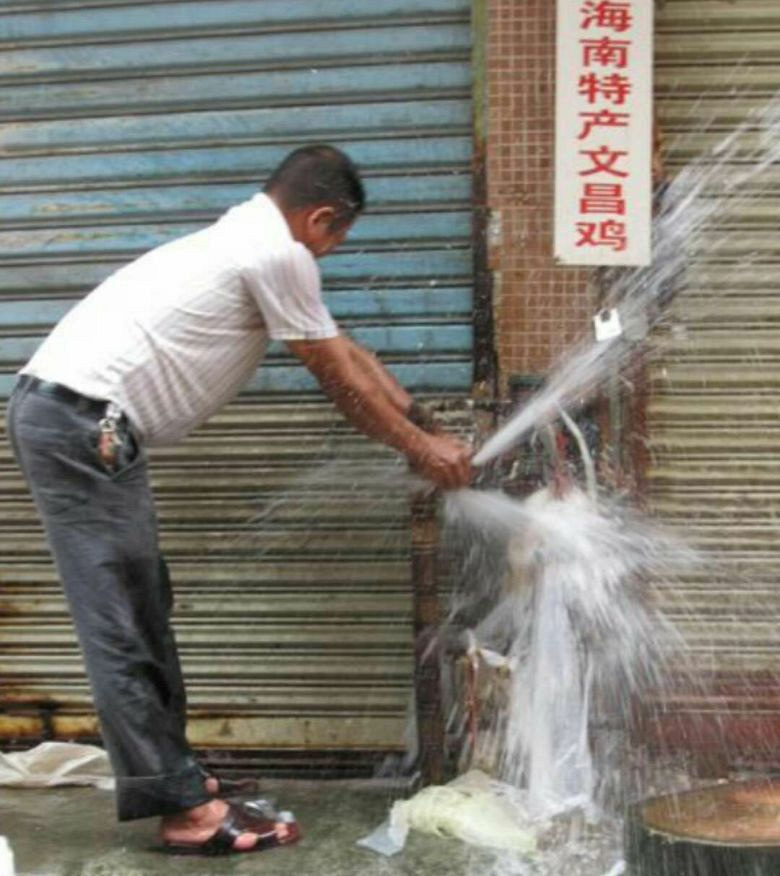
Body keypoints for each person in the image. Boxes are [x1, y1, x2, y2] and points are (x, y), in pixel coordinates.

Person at [5, 144, 473, 855]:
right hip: (81, 422)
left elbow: (348, 354)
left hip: (80, 422)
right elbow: (338, 383)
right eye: (336, 238)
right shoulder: (276, 254)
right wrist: (419, 451)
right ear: (320, 218)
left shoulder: (248, 239)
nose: (331, 253)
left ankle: (182, 783)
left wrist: (427, 423)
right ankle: (182, 811)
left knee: (143, 610)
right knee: (123, 625)